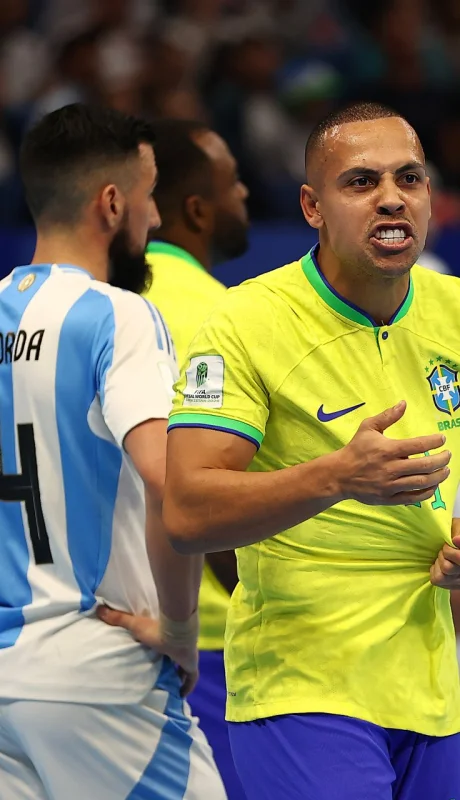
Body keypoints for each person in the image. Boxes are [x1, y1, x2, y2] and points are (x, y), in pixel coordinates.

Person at [103, 101, 460, 799]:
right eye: (360, 182)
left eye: (409, 179)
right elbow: (189, 511)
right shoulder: (240, 322)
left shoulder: (454, 311)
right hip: (305, 686)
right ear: (312, 206)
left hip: (436, 683)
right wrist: (338, 476)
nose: (391, 198)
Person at [0, 103, 226, 800]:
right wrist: (182, 631)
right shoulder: (120, 315)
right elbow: (173, 488)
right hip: (99, 669)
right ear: (111, 202)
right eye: (148, 194)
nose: (155, 218)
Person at [142, 118, 249, 800]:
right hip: (207, 641)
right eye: (233, 182)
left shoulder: (102, 304)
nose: (245, 193)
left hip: (100, 622)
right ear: (197, 210)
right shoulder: (231, 318)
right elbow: (212, 490)